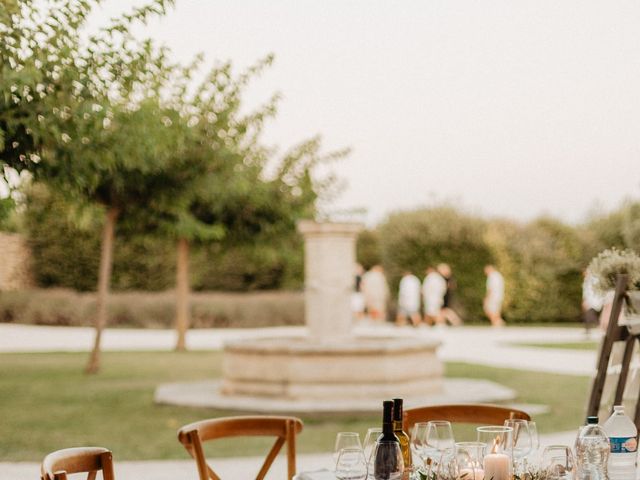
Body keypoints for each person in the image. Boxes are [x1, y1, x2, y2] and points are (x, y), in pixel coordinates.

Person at [582, 269, 603, 337]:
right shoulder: (586, 281)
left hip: (593, 300)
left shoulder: (594, 280)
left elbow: (592, 292)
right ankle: (590, 328)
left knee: (590, 314)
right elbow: (585, 292)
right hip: (590, 300)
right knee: (589, 314)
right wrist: (585, 301)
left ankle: (597, 325)